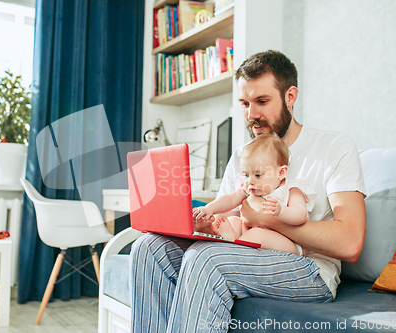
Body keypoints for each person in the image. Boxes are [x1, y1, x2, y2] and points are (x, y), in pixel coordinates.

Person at [130, 50, 367, 333]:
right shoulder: (244, 155)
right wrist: (202, 224)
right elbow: (231, 220)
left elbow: (350, 243)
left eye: (262, 101)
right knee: (148, 248)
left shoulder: (334, 148)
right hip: (247, 251)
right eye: (244, 103)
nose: (251, 115)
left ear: (290, 96)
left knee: (206, 259)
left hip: (310, 269)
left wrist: (267, 220)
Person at [192, 132, 317, 256]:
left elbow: (300, 215)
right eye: (246, 175)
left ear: (281, 172)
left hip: (287, 243)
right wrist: (209, 208)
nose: (250, 181)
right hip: (250, 236)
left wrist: (281, 211)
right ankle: (232, 240)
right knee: (233, 221)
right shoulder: (249, 188)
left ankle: (232, 245)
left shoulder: (291, 190)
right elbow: (230, 199)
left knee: (257, 234)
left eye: (258, 175)